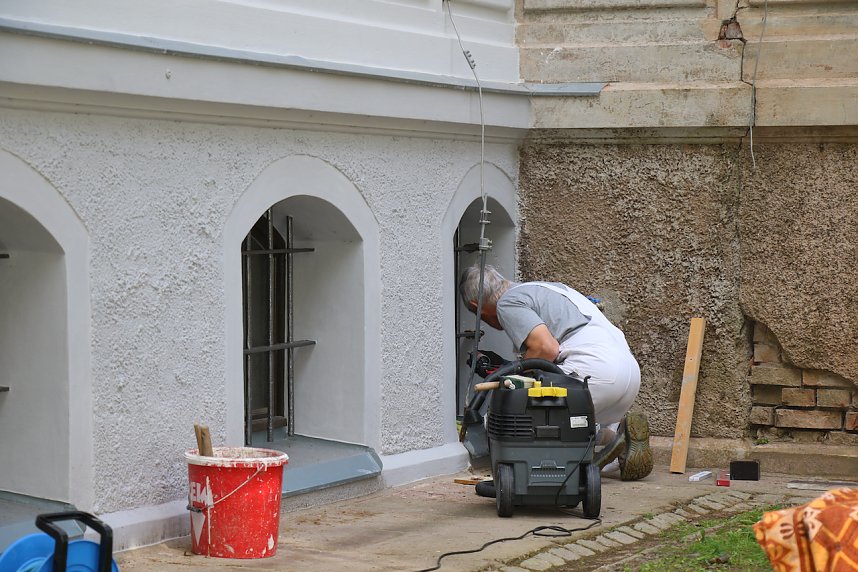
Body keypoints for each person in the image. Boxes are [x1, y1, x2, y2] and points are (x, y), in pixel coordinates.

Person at [459, 263, 652, 482]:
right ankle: (615, 440)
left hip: (593, 371)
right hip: (628, 374)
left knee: (522, 418)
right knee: (574, 421)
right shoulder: (545, 288)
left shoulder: (507, 303)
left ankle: (558, 472)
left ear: (477, 307)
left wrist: (510, 378)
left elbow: (546, 349)